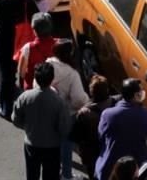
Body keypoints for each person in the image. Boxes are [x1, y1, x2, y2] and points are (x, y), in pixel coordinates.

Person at [12, 62, 72, 180]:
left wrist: (28, 128)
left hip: (31, 143)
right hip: (52, 147)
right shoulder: (59, 102)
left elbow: (15, 119)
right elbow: (64, 129)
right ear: (52, 78)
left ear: (35, 78)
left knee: (32, 175)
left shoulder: (25, 97)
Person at [0, 0, 39, 118]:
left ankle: (5, 108)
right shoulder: (27, 2)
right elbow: (36, 19)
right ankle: (24, 101)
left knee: (5, 75)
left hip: (2, 42)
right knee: (24, 72)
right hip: (22, 43)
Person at [95, 78, 147, 180]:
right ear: (137, 95)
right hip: (139, 168)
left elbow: (101, 136)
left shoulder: (108, 114)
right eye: (141, 91)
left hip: (110, 168)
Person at [46, 40, 88, 180]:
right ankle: (66, 175)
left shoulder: (47, 65)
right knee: (66, 146)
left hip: (49, 111)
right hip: (66, 115)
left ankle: (52, 173)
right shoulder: (72, 74)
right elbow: (78, 99)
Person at [72, 75, 116, 172]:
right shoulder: (117, 104)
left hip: (93, 156)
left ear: (91, 92)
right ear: (107, 90)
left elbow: (76, 137)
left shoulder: (84, 114)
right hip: (113, 152)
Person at [17, 12, 57, 91]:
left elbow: (21, 73)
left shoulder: (27, 48)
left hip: (32, 89)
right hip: (55, 89)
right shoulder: (59, 44)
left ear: (34, 30)